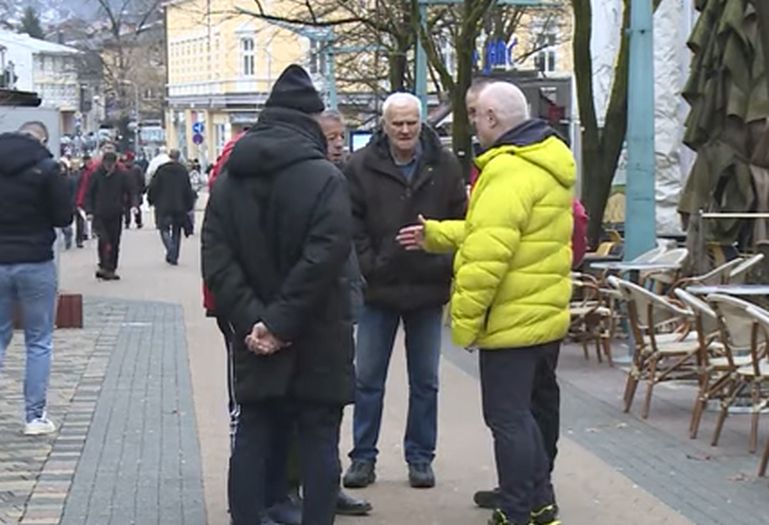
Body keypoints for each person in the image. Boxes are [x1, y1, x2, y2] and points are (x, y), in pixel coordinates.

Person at [396, 81, 574, 525]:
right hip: (543, 313)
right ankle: (540, 500)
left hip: (511, 319)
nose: (473, 122)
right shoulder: (546, 163)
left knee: (507, 419)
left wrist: (466, 325)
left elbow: (486, 257)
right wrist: (437, 234)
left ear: (493, 119)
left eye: (476, 114)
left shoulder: (507, 170)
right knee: (529, 414)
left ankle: (516, 510)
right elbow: (495, 232)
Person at [202, 64, 355, 525]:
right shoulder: (325, 178)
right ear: (310, 122)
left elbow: (216, 255)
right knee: (317, 441)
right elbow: (325, 256)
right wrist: (282, 322)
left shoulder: (230, 179)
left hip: (252, 336)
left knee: (253, 433)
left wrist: (255, 322)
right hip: (317, 330)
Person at [341, 92, 466, 490]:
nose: (406, 130)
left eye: (412, 122)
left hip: (427, 290)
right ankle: (362, 458)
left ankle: (420, 457)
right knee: (367, 379)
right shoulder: (359, 166)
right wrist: (372, 263)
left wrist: (441, 262)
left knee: (426, 380)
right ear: (384, 125)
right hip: (379, 290)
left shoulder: (443, 164)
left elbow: (464, 222)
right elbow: (350, 225)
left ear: (421, 121)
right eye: (398, 123)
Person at [0, 121, 73, 435]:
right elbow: (63, 217)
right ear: (42, 140)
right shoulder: (48, 169)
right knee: (38, 341)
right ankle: (34, 417)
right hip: (35, 261)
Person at [85, 152, 137, 281]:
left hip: (116, 213)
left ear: (115, 164)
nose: (109, 167)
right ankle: (103, 265)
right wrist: (89, 211)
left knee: (114, 241)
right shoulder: (96, 175)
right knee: (103, 239)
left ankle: (111, 268)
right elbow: (89, 194)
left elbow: (131, 191)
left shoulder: (122, 175)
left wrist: (134, 205)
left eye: (111, 164)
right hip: (99, 214)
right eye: (107, 164)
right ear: (103, 163)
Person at [148, 149, 195, 266]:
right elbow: (187, 189)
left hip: (163, 205)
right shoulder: (183, 171)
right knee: (176, 230)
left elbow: (153, 186)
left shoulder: (161, 170)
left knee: (163, 229)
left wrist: (151, 199)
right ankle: (174, 254)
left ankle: (170, 249)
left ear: (169, 157)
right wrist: (189, 204)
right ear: (179, 157)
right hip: (179, 205)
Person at [123, 152, 145, 229]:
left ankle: (127, 222)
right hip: (135, 191)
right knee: (136, 207)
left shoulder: (123, 169)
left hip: (126, 191)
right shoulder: (137, 169)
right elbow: (142, 180)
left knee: (126, 208)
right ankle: (138, 222)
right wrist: (142, 189)